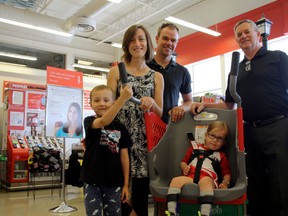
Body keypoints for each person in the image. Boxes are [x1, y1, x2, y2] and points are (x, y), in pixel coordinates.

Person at [190, 19, 288, 216]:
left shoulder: (277, 57)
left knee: (280, 179)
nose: (243, 36)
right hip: (249, 130)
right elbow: (229, 104)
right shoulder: (236, 70)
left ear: (257, 35)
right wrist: (203, 104)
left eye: (246, 32)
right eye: (239, 34)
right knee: (255, 179)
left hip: (278, 125)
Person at [107, 24, 164, 216]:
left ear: (148, 43)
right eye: (132, 39)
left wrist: (152, 104)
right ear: (126, 44)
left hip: (143, 145)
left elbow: (160, 113)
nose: (137, 44)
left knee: (139, 199)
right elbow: (108, 107)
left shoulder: (157, 77)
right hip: (119, 143)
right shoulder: (116, 72)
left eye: (140, 39)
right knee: (117, 198)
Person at [82, 84, 133, 216]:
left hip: (114, 182)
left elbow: (125, 157)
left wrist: (126, 185)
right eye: (97, 100)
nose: (101, 104)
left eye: (106, 100)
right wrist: (123, 98)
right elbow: (103, 121)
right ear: (90, 104)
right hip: (92, 182)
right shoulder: (89, 121)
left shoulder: (121, 128)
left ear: (113, 102)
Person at [165, 121, 231, 216]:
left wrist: (225, 183)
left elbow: (226, 173)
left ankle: (205, 213)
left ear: (224, 142)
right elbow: (183, 162)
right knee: (175, 180)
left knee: (205, 181)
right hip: (191, 176)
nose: (215, 140)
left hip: (208, 178)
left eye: (220, 138)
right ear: (206, 134)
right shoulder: (194, 149)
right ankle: (172, 211)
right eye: (212, 136)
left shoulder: (221, 155)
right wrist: (184, 167)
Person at [147, 22, 193, 124]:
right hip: (145, 126)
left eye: (173, 40)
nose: (169, 43)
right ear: (157, 38)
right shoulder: (144, 67)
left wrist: (182, 107)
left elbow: (189, 101)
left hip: (170, 127)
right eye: (165, 38)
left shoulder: (182, 72)